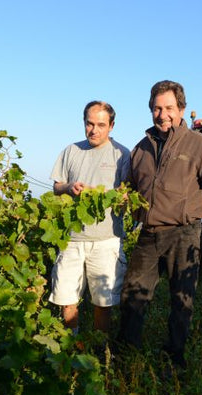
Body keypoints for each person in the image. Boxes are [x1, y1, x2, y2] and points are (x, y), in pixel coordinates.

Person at [117, 80, 202, 369]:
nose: (162, 114)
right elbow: (128, 189)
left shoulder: (198, 144)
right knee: (133, 294)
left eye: (169, 107)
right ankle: (126, 355)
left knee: (182, 298)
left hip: (184, 234)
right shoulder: (141, 148)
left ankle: (174, 358)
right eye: (157, 108)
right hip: (148, 234)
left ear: (181, 109)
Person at [48, 101, 130, 336]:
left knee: (102, 302)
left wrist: (110, 195)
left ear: (111, 126)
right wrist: (69, 187)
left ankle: (98, 351)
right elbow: (56, 186)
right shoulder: (71, 151)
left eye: (101, 125)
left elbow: (127, 194)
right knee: (67, 298)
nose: (94, 130)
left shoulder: (122, 155)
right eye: (90, 124)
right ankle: (71, 348)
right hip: (71, 239)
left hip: (107, 240)